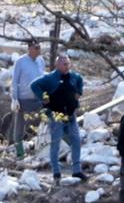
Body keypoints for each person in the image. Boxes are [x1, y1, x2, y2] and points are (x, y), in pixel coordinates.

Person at [30, 55, 85, 184]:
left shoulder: (74, 77)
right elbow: (34, 85)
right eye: (64, 64)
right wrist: (43, 97)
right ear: (57, 65)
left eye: (68, 64)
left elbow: (80, 80)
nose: (67, 66)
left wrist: (79, 92)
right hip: (56, 116)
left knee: (76, 141)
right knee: (55, 144)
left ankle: (77, 170)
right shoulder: (50, 78)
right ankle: (56, 172)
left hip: (71, 115)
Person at [10, 38, 45, 159]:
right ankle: (20, 152)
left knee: (46, 119)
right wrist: (14, 99)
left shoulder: (40, 60)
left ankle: (43, 147)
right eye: (36, 48)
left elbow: (43, 76)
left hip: (38, 98)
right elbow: (14, 81)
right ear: (30, 49)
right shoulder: (20, 62)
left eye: (40, 48)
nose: (39, 50)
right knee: (19, 125)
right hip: (23, 99)